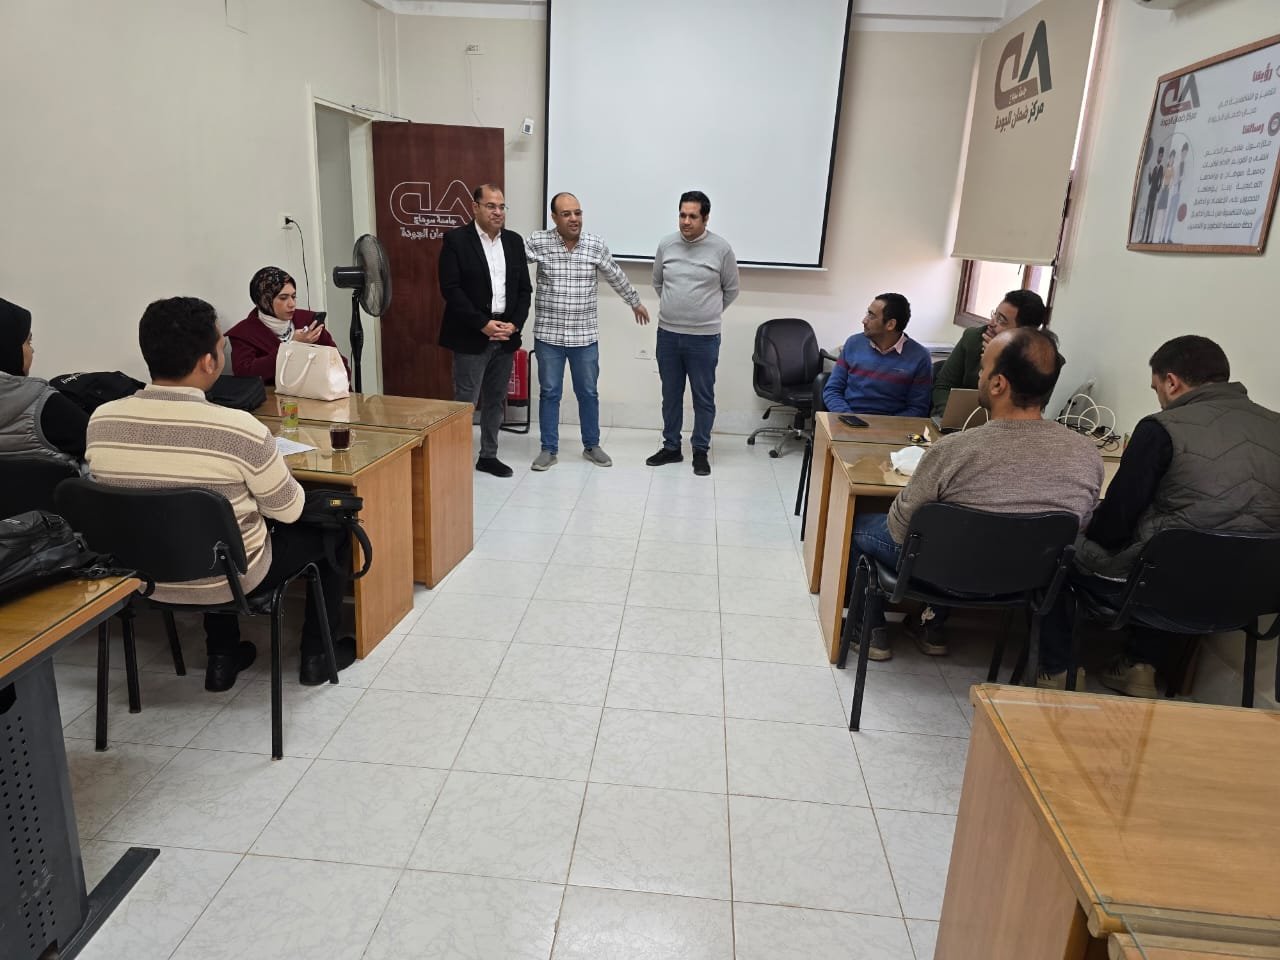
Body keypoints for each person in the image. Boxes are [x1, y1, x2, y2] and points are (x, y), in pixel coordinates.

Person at [86, 297, 357, 692]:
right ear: (208, 362)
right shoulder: (238, 428)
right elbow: (289, 510)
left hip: (140, 576)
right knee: (333, 530)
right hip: (227, 579)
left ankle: (222, 657)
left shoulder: (101, 421)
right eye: (220, 346)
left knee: (199, 525)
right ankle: (319, 656)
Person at [1038, 336, 1280, 695]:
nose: (1159, 399)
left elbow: (1115, 523)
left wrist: (1087, 531)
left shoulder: (1161, 429)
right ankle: (1139, 666)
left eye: (1156, 389)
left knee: (1062, 541)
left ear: (1171, 381)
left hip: (1164, 586)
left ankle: (1059, 670)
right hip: (1255, 594)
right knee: (1177, 549)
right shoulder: (1274, 424)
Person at [847, 327, 1103, 662]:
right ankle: (930, 625)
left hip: (945, 573)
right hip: (1027, 578)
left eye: (983, 369)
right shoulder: (1087, 454)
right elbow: (1080, 525)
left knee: (860, 528)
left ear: (998, 384)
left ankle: (869, 630)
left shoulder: (953, 450)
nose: (979, 376)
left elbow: (899, 529)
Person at [525, 192, 650, 471]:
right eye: (566, 214)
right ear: (554, 217)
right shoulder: (538, 242)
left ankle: (592, 445)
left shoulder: (594, 245)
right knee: (550, 393)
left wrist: (634, 302)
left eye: (578, 213)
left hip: (584, 337)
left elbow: (615, 274)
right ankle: (548, 449)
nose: (574, 219)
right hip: (549, 336)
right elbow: (510, 265)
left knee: (588, 393)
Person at [439, 184, 532, 478]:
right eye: (491, 206)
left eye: (502, 207)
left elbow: (524, 290)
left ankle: (488, 456)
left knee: (495, 399)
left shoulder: (514, 242)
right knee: (466, 400)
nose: (498, 212)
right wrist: (482, 324)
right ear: (475, 207)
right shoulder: (456, 240)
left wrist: (514, 324)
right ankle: (455, 459)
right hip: (471, 334)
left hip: (505, 334)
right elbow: (451, 290)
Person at [646, 190, 739, 477]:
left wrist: (704, 313)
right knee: (670, 395)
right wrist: (677, 309)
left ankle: (700, 450)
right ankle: (671, 447)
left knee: (703, 397)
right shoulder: (666, 244)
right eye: (682, 215)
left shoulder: (721, 249)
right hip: (668, 335)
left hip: (704, 339)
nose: (686, 221)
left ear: (705, 218)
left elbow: (731, 289)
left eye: (692, 216)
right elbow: (658, 283)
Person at [0, 297, 89, 465]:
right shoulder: (43, 403)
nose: (32, 350)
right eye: (28, 342)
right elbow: (100, 447)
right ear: (8, 347)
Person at [931, 290, 1046, 418]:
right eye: (995, 314)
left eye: (1001, 320)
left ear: (1023, 333)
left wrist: (1000, 360)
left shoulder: (1044, 360)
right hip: (956, 419)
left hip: (1005, 426)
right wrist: (950, 417)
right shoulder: (973, 338)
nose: (991, 323)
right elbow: (943, 386)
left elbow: (1029, 409)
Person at [226, 267, 348, 384]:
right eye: (283, 298)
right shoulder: (245, 333)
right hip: (271, 397)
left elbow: (339, 362)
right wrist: (291, 346)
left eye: (293, 296)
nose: (292, 304)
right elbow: (245, 374)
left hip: (317, 394)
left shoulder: (309, 321)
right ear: (264, 300)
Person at [823, 294, 931, 417]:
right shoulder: (853, 343)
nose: (864, 320)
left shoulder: (920, 357)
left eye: (871, 315)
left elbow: (918, 408)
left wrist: (885, 425)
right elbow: (832, 390)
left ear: (890, 324)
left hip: (892, 424)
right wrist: (848, 417)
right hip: (849, 418)